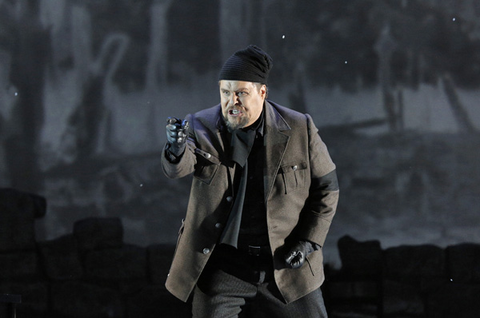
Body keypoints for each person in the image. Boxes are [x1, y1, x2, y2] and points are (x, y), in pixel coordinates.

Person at [162, 45, 339, 318]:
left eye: (241, 93)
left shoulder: (299, 127)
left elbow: (327, 188)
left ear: (262, 92)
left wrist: (307, 242)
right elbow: (180, 167)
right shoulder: (200, 126)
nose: (232, 101)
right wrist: (175, 149)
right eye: (225, 93)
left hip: (286, 264)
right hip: (225, 265)